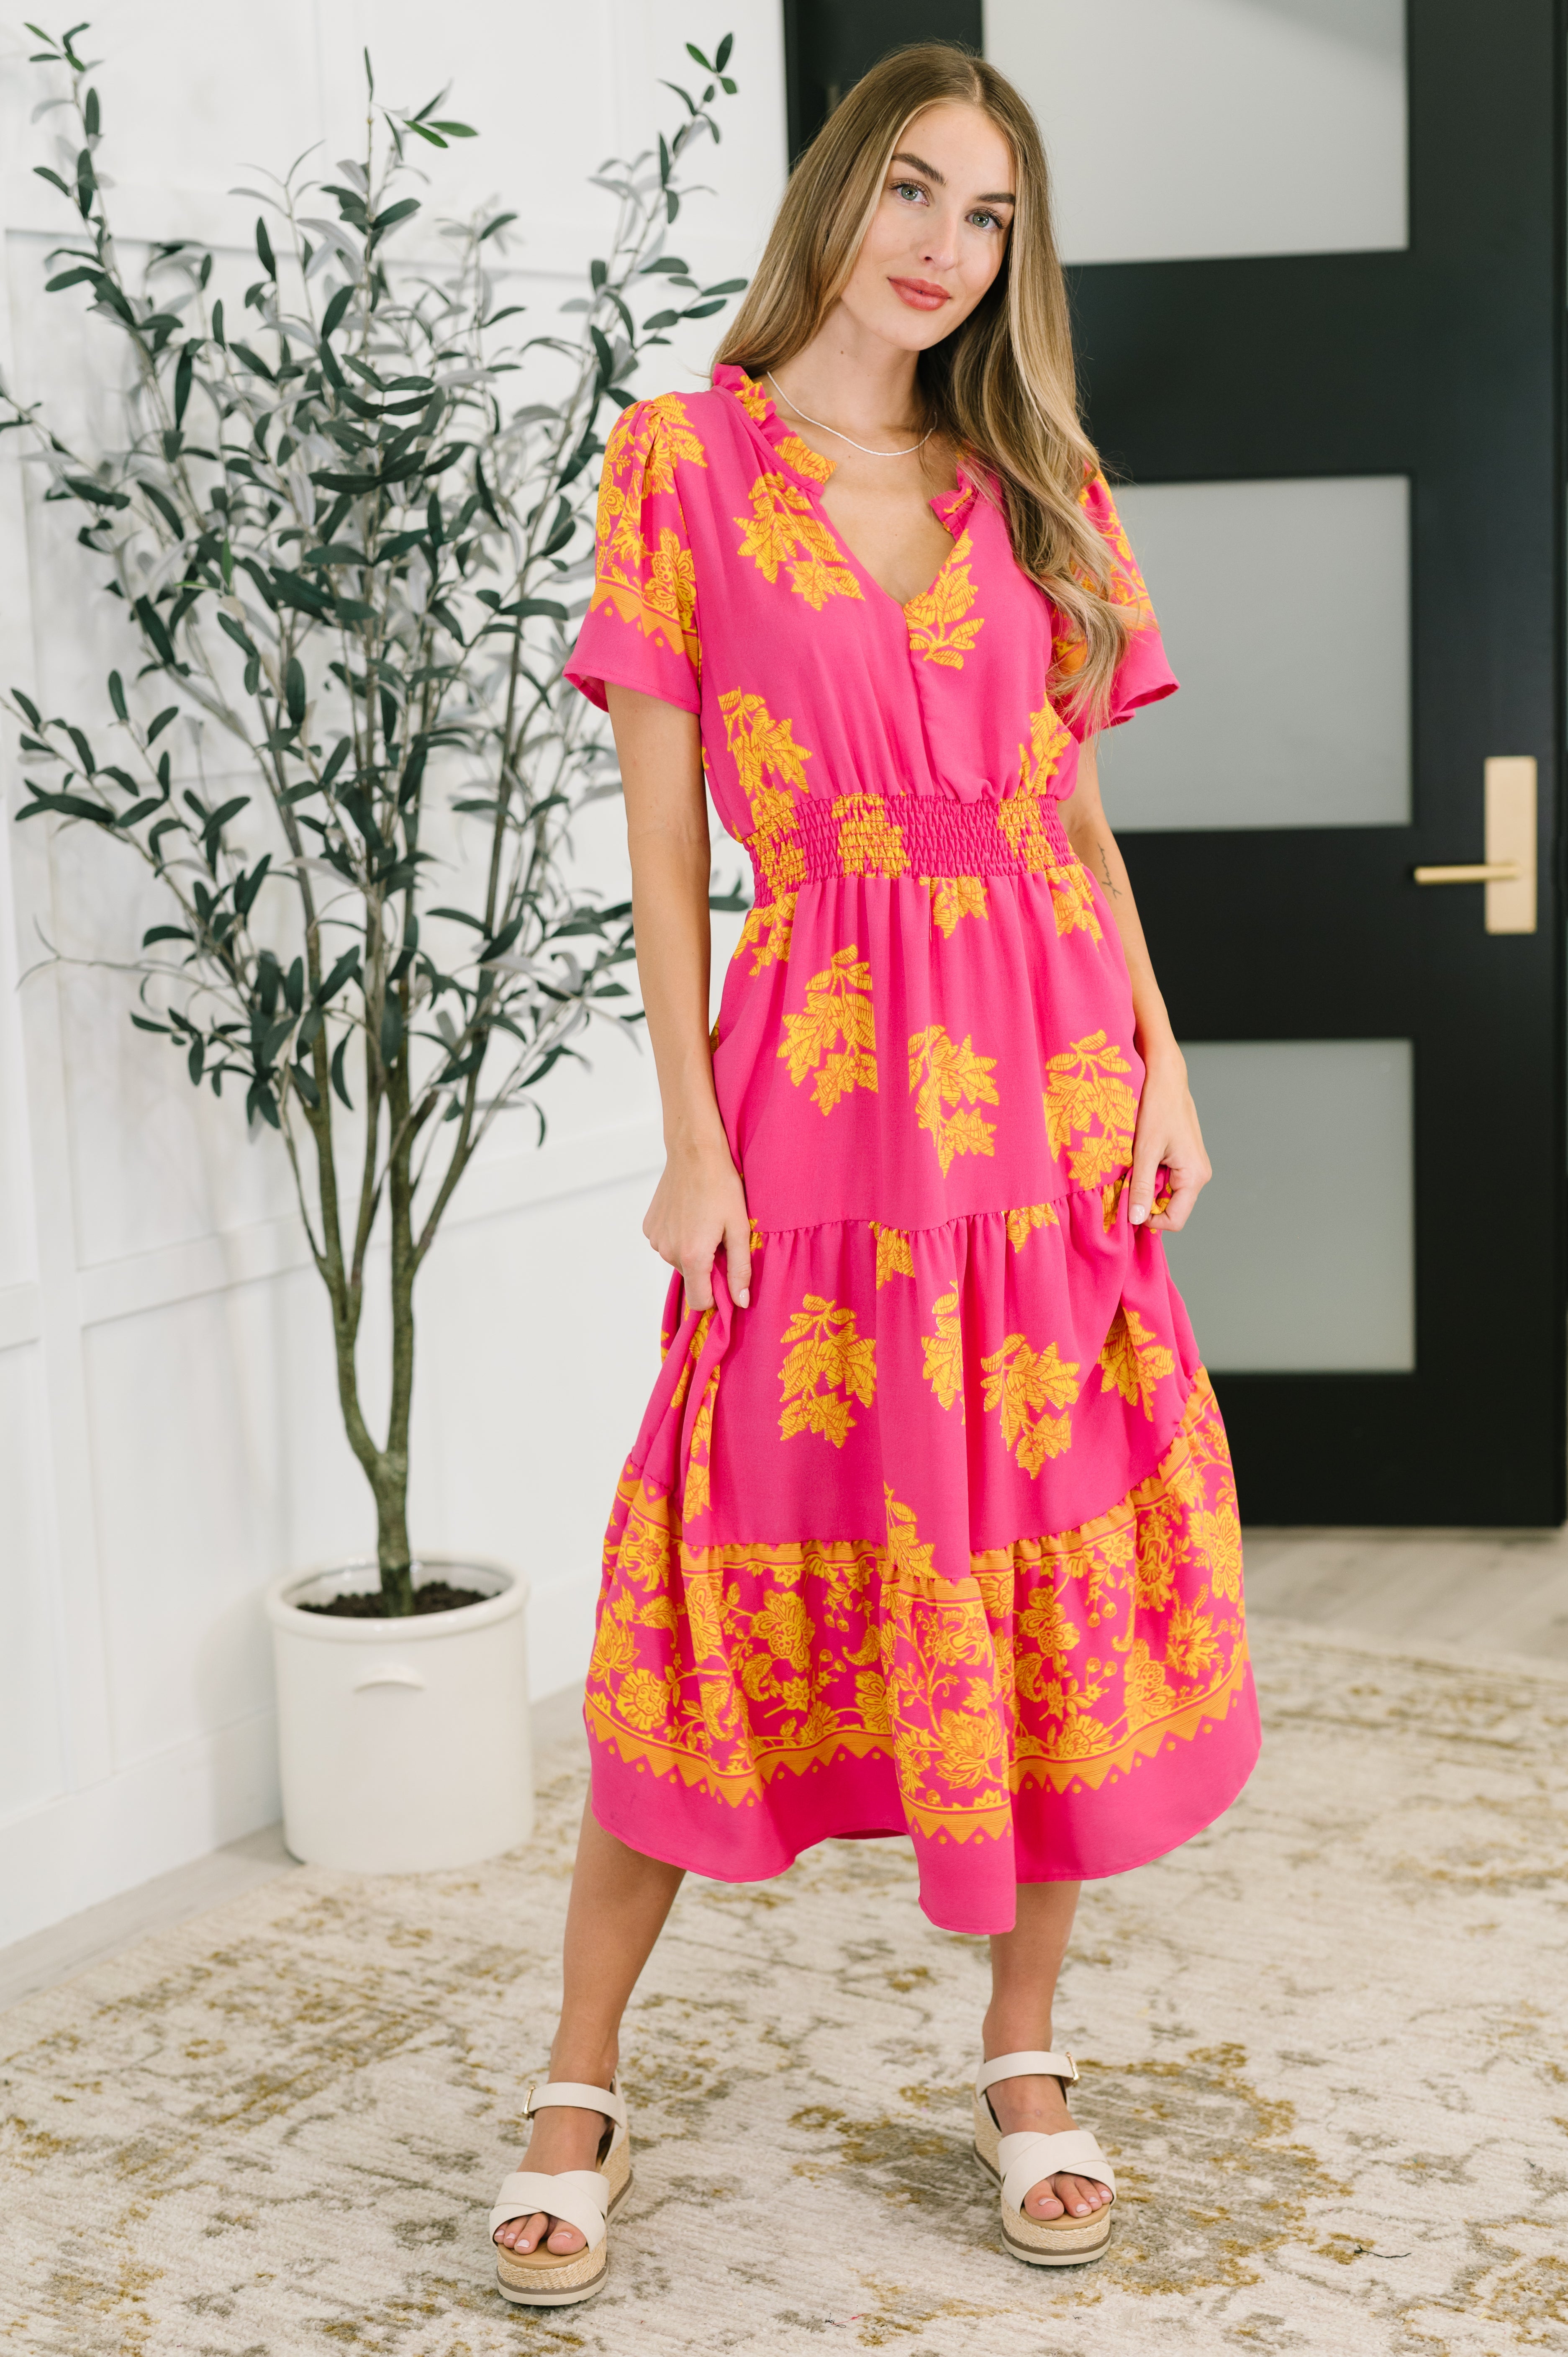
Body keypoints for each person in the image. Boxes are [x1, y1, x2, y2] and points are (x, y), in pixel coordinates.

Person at [489, 40, 1260, 2304]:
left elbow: (1070, 815)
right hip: (818, 1084)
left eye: (988, 216)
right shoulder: (680, 466)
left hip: (1045, 1097)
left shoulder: (1037, 475)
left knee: (1041, 1556)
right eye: (910, 193)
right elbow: (658, 854)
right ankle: (579, 2066)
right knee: (723, 1547)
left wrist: (1166, 1068)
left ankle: (1022, 2055)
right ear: (834, 200)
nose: (942, 249)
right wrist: (686, 1145)